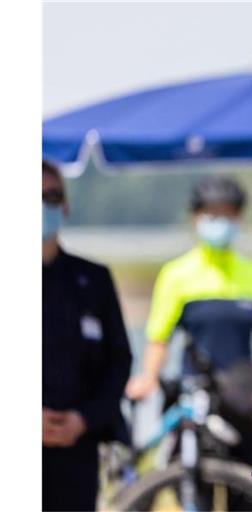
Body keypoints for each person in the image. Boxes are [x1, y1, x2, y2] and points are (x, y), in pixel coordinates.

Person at [126, 176, 252, 464]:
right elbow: (159, 338)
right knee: (188, 479)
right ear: (196, 218)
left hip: (242, 397)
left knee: (247, 487)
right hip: (194, 392)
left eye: (228, 214)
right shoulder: (176, 274)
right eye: (212, 214)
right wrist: (148, 377)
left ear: (238, 218)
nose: (220, 221)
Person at [42, 160, 133, 511]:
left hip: (77, 449)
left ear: (65, 206)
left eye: (51, 196)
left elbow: (119, 360)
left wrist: (85, 418)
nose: (43, 205)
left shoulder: (93, 279)